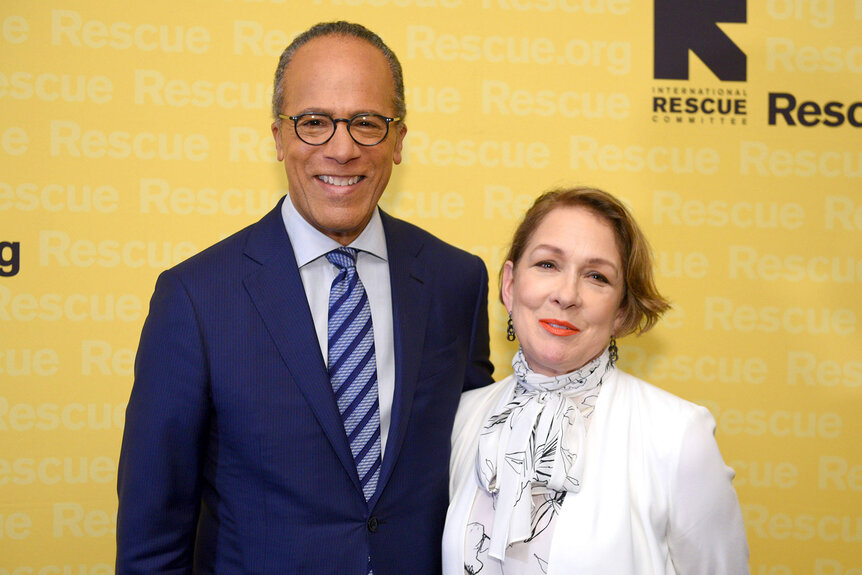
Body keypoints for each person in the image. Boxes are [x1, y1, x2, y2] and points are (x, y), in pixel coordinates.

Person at [116, 21, 493, 574]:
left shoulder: (456, 281)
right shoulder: (195, 298)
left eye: (367, 122)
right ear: (278, 138)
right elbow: (155, 533)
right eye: (314, 122)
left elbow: (476, 472)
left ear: (399, 140)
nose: (342, 149)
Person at [442, 187, 749, 574]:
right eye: (548, 265)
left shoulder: (677, 435)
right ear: (509, 284)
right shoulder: (464, 417)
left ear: (621, 311)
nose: (567, 295)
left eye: (596, 276)